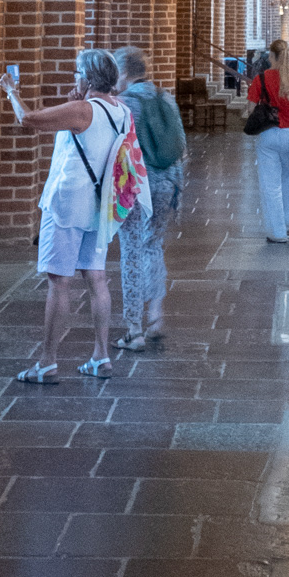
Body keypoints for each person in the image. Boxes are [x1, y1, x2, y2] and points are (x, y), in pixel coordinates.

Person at [2, 48, 127, 381]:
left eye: (77, 73)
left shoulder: (82, 110)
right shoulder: (122, 111)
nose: (75, 78)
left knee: (59, 282)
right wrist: (80, 99)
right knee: (97, 279)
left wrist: (11, 91)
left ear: (87, 77)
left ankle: (47, 362)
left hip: (67, 204)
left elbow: (28, 120)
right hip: (101, 207)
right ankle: (101, 357)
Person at [113, 45, 186, 351]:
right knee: (153, 245)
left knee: (131, 252)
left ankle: (134, 330)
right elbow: (180, 144)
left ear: (125, 73)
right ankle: (155, 317)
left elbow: (117, 148)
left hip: (137, 187)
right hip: (167, 182)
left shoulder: (124, 103)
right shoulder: (165, 97)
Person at [247, 37, 289, 240]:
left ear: (271, 56)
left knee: (270, 184)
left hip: (268, 134)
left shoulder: (261, 79)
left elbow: (250, 107)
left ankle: (277, 232)